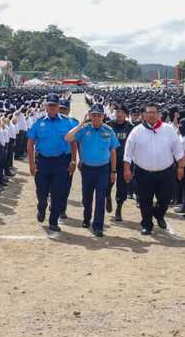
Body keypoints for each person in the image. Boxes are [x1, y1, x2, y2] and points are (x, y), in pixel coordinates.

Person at [123, 102, 185, 235]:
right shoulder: (136, 131)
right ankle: (147, 224)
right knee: (144, 200)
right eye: (148, 113)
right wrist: (127, 169)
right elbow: (128, 153)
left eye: (154, 113)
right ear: (144, 115)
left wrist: (181, 167)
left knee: (165, 199)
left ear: (158, 115)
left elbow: (178, 150)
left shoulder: (168, 130)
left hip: (165, 172)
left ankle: (159, 214)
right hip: (143, 172)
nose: (151, 115)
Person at [65, 104, 119, 237]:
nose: (96, 118)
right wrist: (81, 123)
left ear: (103, 116)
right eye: (93, 115)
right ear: (89, 116)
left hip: (103, 169)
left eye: (98, 115)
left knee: (100, 197)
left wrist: (113, 171)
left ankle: (98, 225)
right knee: (86, 197)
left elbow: (113, 152)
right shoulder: (84, 129)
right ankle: (86, 217)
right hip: (87, 169)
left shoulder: (108, 130)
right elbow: (68, 138)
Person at [26, 93, 76, 232]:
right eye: (50, 105)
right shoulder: (38, 122)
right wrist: (31, 164)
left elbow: (73, 142)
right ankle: (41, 208)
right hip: (42, 162)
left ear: (59, 106)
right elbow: (30, 144)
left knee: (57, 193)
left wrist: (73, 160)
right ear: (45, 106)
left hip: (61, 162)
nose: (52, 108)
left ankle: (53, 221)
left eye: (55, 106)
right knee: (41, 192)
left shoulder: (67, 122)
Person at [107, 104, 133, 222]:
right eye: (117, 112)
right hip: (109, 160)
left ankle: (118, 209)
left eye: (122, 112)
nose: (119, 114)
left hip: (124, 161)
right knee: (107, 183)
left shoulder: (130, 128)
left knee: (122, 187)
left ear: (126, 115)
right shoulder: (109, 125)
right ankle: (107, 196)